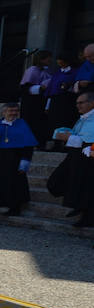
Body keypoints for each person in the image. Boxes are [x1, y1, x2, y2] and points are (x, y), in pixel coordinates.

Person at [52, 90, 94, 225]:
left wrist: (70, 138)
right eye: (77, 103)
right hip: (75, 155)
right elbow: (80, 135)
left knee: (85, 186)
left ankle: (84, 214)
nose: (78, 105)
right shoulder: (83, 118)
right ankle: (77, 205)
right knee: (57, 181)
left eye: (81, 103)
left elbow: (87, 140)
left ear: (92, 103)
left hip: (88, 156)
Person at [18, 50, 54, 140]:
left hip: (41, 101)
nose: (50, 61)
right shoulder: (32, 70)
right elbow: (25, 87)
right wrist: (40, 88)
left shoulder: (47, 71)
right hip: (31, 102)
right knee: (30, 122)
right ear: (41, 59)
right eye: (48, 59)